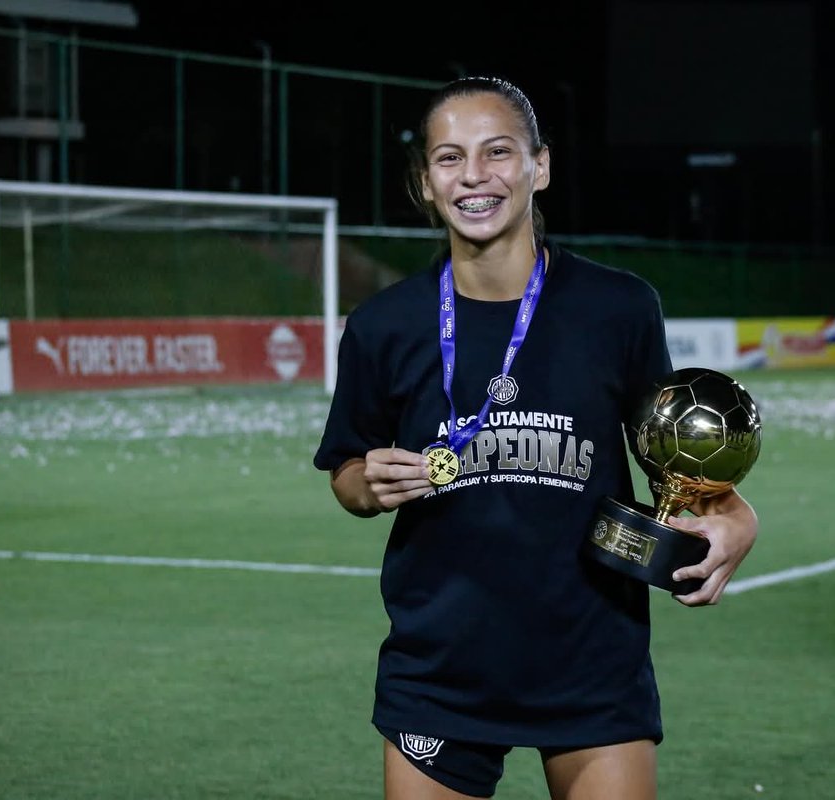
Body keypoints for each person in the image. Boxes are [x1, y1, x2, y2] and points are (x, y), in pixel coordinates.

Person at [312, 76, 759, 799]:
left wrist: (736, 514)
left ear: (539, 166)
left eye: (498, 152)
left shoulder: (618, 307)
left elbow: (672, 464)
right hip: (441, 665)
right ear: (426, 181)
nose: (475, 176)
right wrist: (369, 483)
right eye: (450, 158)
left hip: (591, 656)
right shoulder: (382, 325)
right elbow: (346, 471)